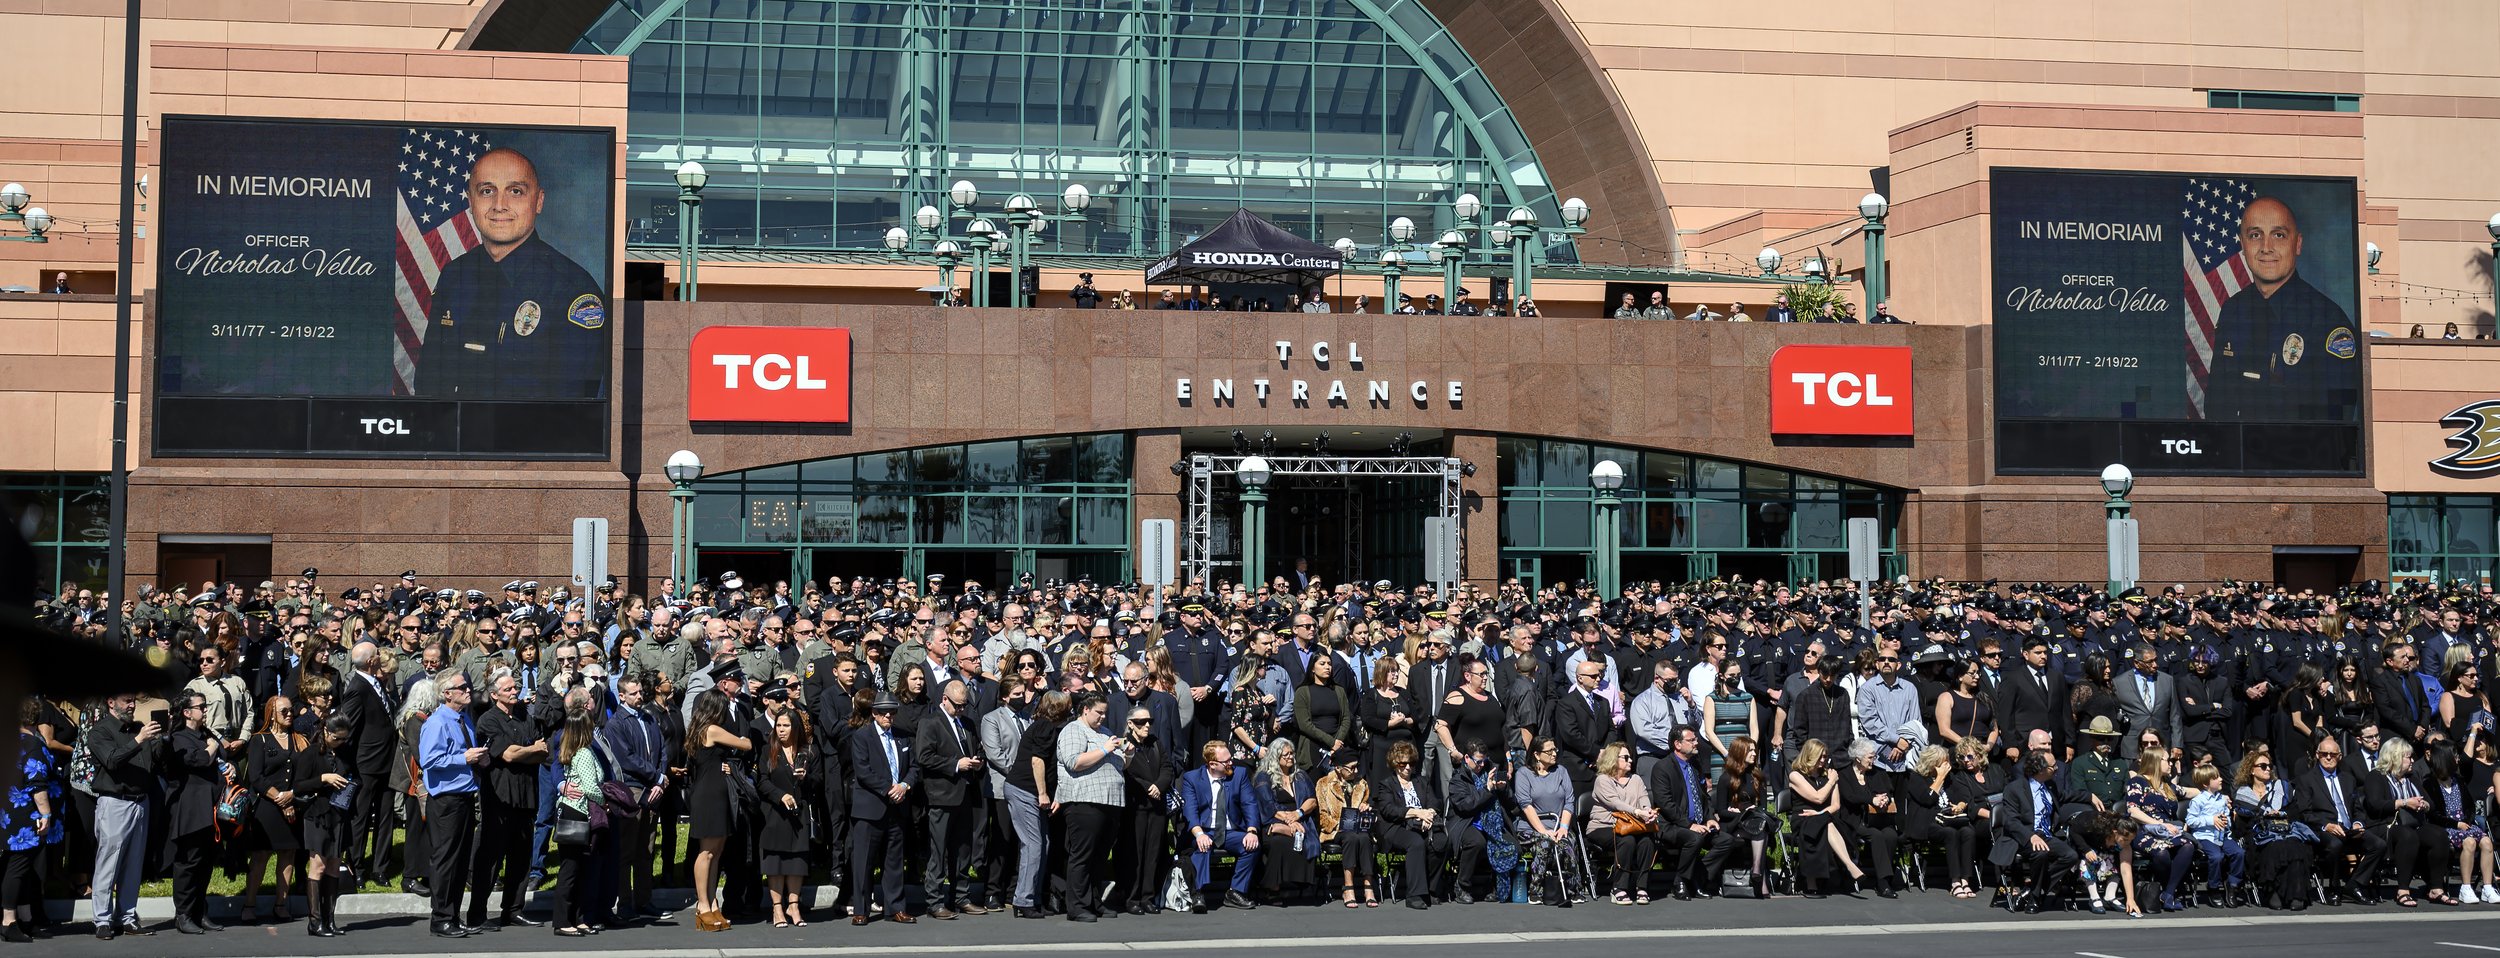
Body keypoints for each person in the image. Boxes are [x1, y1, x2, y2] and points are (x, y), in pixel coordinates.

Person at [415, 146, 606, 400]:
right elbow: (429, 383)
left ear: (538, 201)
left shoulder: (573, 291)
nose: (499, 205)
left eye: (515, 191)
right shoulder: (455, 275)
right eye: (487, 191)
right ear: (471, 202)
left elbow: (572, 411)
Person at [2205, 196, 2360, 421]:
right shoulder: (2233, 311)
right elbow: (2216, 406)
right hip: (2238, 453)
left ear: (2297, 244)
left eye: (2278, 235)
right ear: (2243, 244)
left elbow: (2336, 422)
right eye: (2255, 235)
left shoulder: (2328, 322)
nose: (2266, 248)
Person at [468, 669, 548, 931]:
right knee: (491, 857)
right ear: (494, 695)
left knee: (521, 857)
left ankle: (513, 909)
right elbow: (509, 755)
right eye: (508, 689)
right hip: (499, 796)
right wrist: (530, 750)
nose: (515, 692)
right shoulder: (488, 721)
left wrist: (530, 751)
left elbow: (542, 751)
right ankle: (477, 913)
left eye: (516, 687)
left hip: (526, 794)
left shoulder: (526, 715)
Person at [417, 673, 487, 938]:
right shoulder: (436, 723)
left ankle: (454, 916)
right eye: (462, 688)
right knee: (445, 860)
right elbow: (430, 761)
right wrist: (464, 758)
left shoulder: (464, 718)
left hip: (466, 796)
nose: (468, 690)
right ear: (447, 693)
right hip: (446, 801)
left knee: (459, 861)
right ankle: (441, 918)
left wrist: (478, 759)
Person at [85, 692, 158, 939]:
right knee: (108, 863)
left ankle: (127, 916)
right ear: (111, 702)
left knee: (133, 864)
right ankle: (102, 920)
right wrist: (139, 739)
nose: (132, 704)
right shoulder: (100, 731)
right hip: (114, 802)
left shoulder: (139, 728)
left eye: (133, 700)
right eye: (127, 700)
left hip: (140, 802)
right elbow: (111, 760)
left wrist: (161, 739)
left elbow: (153, 762)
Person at [1054, 693, 1126, 921]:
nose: (1103, 717)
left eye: (1105, 713)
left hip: (1110, 801)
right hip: (1085, 801)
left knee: (1099, 857)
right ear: (1085, 709)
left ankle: (1095, 901)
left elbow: (1120, 764)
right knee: (1082, 856)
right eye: (1099, 713)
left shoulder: (1104, 733)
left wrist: (1128, 755)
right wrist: (1105, 749)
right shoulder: (1073, 730)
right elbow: (1073, 761)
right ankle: (1077, 906)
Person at [685, 687, 752, 930]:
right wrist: (740, 743)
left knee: (717, 851)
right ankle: (703, 904)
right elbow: (745, 744)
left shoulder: (701, 728)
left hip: (717, 790)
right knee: (707, 851)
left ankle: (713, 902)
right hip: (709, 794)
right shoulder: (712, 729)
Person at [916, 680, 983, 918]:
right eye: (958, 705)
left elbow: (974, 748)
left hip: (965, 793)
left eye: (965, 705)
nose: (962, 709)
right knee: (939, 850)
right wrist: (955, 764)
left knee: (963, 850)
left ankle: (961, 897)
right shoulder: (930, 723)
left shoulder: (967, 723)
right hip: (942, 796)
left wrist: (976, 761)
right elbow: (924, 757)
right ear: (945, 699)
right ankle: (934, 901)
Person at [160, 691, 226, 935]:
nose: (206, 709)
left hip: (209, 807)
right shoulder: (178, 738)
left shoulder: (205, 735)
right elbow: (197, 761)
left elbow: (222, 755)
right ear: (187, 712)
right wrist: (211, 749)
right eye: (201, 706)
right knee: (188, 863)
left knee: (206, 862)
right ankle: (183, 914)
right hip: (189, 809)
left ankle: (200, 911)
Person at [2293, 735, 2383, 905]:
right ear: (2317, 755)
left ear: (2339, 757)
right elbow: (2304, 813)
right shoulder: (2307, 780)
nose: (2328, 758)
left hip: (2349, 828)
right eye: (2324, 754)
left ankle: (2354, 885)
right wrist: (2326, 825)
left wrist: (2358, 823)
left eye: (2333, 754)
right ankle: (2334, 888)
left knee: (2378, 845)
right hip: (2324, 829)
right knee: (2335, 845)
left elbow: (2357, 808)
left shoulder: (2348, 779)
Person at [1004, 690, 1070, 919]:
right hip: (1025, 790)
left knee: (1043, 843)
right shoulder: (1045, 727)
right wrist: (1043, 793)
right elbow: (1037, 760)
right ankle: (1023, 900)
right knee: (1034, 845)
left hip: (1029, 791)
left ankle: (1032, 897)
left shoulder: (1045, 726)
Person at [1176, 739, 1261, 911]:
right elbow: (1190, 811)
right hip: (1204, 829)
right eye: (1226, 761)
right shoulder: (1192, 778)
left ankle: (1236, 891)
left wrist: (1252, 830)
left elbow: (1249, 804)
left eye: (1231, 758)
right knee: (1202, 846)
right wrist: (1199, 834)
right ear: (1212, 764)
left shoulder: (1239, 774)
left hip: (1230, 830)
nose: (1231, 763)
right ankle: (1197, 892)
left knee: (1251, 845)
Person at [2366, 737, 2451, 907]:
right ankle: (2403, 890)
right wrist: (2404, 802)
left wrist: (2423, 805)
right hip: (2387, 826)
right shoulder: (2376, 776)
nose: (2412, 760)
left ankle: (2436, 888)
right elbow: (2375, 805)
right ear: (2395, 757)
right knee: (2408, 836)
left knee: (2439, 835)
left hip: (2413, 823)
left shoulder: (2411, 777)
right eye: (2408, 757)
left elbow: (2431, 805)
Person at [1992, 749, 2077, 914]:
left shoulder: (2050, 785)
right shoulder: (2014, 788)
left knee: (2071, 856)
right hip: (2021, 837)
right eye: (2053, 767)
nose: (2057, 769)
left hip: (2045, 835)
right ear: (2041, 770)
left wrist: (2090, 797)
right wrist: (2030, 836)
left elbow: (2066, 795)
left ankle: (2032, 890)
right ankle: (2035, 899)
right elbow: (2011, 822)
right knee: (2040, 853)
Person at [2232, 744, 2316, 910]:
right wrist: (2262, 816)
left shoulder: (2283, 788)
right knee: (2273, 846)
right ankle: (2273, 892)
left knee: (2294, 846)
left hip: (2285, 829)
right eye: (2263, 766)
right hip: (2259, 834)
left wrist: (2281, 814)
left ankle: (2296, 893)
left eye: (2269, 766)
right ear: (2251, 770)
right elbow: (2241, 827)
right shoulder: (2242, 795)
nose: (2268, 769)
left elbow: (2295, 813)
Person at [1109, 703, 1174, 915]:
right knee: (1133, 853)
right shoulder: (1124, 745)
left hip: (1156, 807)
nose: (1146, 725)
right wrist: (1148, 787)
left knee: (1153, 852)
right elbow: (1126, 773)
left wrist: (1160, 785)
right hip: (1135, 806)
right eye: (1141, 722)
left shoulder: (1155, 743)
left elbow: (1167, 767)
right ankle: (1131, 897)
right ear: (1130, 724)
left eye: (1149, 722)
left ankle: (1148, 896)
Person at [296, 713, 356, 938]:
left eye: (344, 739)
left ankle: (330, 919)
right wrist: (324, 778)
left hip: (339, 813)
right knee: (318, 866)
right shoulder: (311, 753)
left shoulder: (345, 752)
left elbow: (355, 774)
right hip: (318, 813)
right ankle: (315, 921)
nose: (341, 742)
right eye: (337, 738)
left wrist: (349, 782)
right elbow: (299, 786)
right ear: (326, 732)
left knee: (333, 866)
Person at [1784, 738, 1862, 898]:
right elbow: (1818, 798)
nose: (1823, 760)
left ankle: (1824, 877)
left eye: (1825, 757)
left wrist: (1820, 814)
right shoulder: (1796, 776)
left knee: (1826, 823)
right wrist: (1832, 781)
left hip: (1824, 816)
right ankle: (1847, 864)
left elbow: (1836, 805)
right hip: (1803, 818)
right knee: (1823, 824)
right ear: (1809, 755)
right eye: (1820, 756)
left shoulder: (1828, 775)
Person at [756, 709, 813, 927]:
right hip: (775, 813)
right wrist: (780, 796)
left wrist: (806, 778)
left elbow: (818, 781)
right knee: (776, 863)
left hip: (799, 813)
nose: (781, 730)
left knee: (796, 862)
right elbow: (762, 781)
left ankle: (794, 905)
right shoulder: (767, 750)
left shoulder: (807, 752)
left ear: (795, 728)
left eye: (786, 726)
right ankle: (777, 909)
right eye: (778, 726)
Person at [1905, 743, 1980, 898]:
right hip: (1927, 823)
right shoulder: (1916, 778)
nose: (1947, 766)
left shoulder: (1950, 778)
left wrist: (1960, 805)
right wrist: (1939, 778)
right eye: (1943, 763)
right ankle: (1954, 882)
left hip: (1948, 819)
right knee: (1950, 834)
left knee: (1968, 832)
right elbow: (1928, 799)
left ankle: (1965, 880)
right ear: (1932, 764)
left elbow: (1964, 794)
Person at [2425, 742, 2497, 903]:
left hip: (2464, 823)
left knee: (2486, 842)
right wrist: (2456, 824)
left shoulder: (2458, 780)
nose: (2458, 759)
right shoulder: (2429, 783)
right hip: (2446, 827)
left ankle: (2487, 887)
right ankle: (2466, 887)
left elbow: (2469, 806)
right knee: (2470, 842)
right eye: (2455, 756)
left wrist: (2466, 821)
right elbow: (2433, 814)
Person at [1586, 741, 1656, 904]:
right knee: (1627, 840)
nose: (1630, 760)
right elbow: (1615, 804)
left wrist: (1647, 810)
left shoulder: (1636, 779)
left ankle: (1642, 887)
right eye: (1626, 757)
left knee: (1647, 840)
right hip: (1604, 826)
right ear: (1613, 759)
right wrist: (1638, 812)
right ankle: (1619, 887)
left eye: (1630, 757)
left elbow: (1643, 798)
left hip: (1632, 826)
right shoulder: (1602, 780)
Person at [2125, 747, 2195, 911]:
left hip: (2167, 831)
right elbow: (2132, 810)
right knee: (2162, 853)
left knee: (2187, 845)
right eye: (2167, 760)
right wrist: (2160, 824)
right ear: (2156, 761)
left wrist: (2212, 796)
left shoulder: (2167, 785)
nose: (2170, 764)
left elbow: (2190, 792)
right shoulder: (2138, 782)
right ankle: (2164, 887)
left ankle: (2168, 893)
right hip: (2142, 829)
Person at [1512, 735, 1579, 906]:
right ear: (1536, 754)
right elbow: (1526, 805)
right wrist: (1544, 831)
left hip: (1558, 826)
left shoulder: (1561, 772)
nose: (1554, 754)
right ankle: (1536, 890)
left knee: (1568, 842)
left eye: (1555, 750)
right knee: (1544, 844)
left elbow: (1569, 801)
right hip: (1531, 828)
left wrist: (1563, 827)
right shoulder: (1524, 774)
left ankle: (1572, 890)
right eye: (1549, 751)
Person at [1254, 738, 1317, 903]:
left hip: (1300, 820)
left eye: (1292, 753)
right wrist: (1289, 822)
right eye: (1286, 754)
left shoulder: (1300, 775)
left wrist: (1298, 813)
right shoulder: (1264, 777)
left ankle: (1300, 882)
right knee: (1279, 842)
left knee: (1303, 838)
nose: (1290, 757)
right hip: (1272, 821)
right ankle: (1272, 887)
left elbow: (1312, 800)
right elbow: (1268, 806)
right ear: (1275, 756)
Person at [1837, 738, 1902, 897]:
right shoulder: (1844, 774)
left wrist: (1884, 798)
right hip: (1854, 820)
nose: (1874, 760)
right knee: (1876, 836)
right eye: (1870, 757)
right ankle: (1883, 883)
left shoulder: (1877, 772)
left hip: (1876, 818)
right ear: (1858, 759)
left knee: (1891, 835)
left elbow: (1887, 790)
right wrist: (1871, 799)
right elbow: (1849, 797)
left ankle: (1886, 875)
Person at [1315, 747, 1377, 906]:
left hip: (1358, 828)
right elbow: (1322, 816)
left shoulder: (1361, 783)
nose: (1355, 771)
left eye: (1357, 766)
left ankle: (1368, 886)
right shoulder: (1324, 784)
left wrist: (1366, 808)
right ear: (1338, 767)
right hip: (1335, 829)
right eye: (1351, 768)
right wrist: (1340, 825)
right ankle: (1348, 887)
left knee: (1364, 837)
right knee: (1349, 837)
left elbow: (1368, 804)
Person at [2183, 763, 2247, 906]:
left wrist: (2226, 820)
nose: (2220, 779)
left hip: (2222, 835)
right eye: (2216, 777)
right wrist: (2210, 820)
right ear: (2206, 783)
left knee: (2239, 853)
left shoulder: (2222, 799)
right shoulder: (2198, 801)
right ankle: (2213, 887)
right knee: (2216, 856)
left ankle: (2232, 884)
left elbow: (2227, 818)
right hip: (2205, 836)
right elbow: (2190, 821)